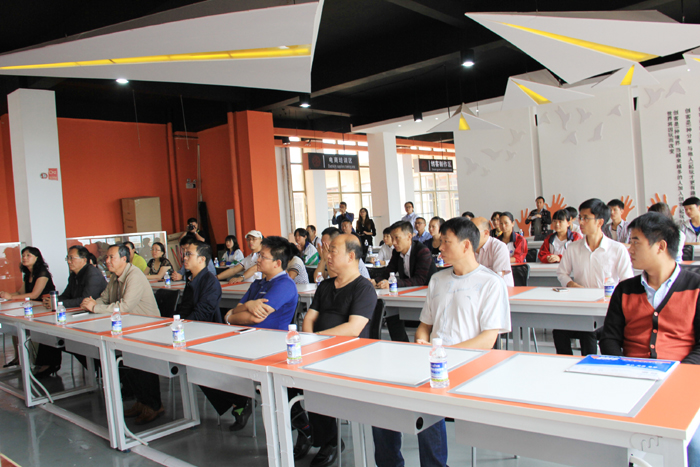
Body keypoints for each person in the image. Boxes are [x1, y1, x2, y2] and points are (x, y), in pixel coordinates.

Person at [374, 217, 511, 467]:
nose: (440, 247)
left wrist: (443, 353)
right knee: (382, 397)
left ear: (466, 245)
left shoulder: (491, 283)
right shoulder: (438, 280)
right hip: (433, 359)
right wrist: (421, 341)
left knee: (428, 398)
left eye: (446, 242)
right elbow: (425, 326)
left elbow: (488, 340)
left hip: (469, 363)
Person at [599, 212, 700, 466]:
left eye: (635, 241)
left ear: (661, 246)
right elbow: (610, 337)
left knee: (694, 446)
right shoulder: (625, 289)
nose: (629, 248)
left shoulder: (696, 287)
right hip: (631, 382)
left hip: (683, 382)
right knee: (603, 440)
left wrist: (678, 374)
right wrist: (623, 370)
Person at [300, 234, 377, 467]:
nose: (328, 255)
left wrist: (316, 341)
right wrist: (309, 341)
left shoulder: (364, 288)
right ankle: (307, 431)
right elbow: (309, 318)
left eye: (333, 250)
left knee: (315, 380)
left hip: (348, 355)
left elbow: (353, 329)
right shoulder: (325, 286)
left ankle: (329, 441)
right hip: (317, 350)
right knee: (287, 381)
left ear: (351, 256)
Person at [223, 237, 300, 431]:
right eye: (259, 255)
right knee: (215, 366)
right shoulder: (257, 284)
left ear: (277, 263)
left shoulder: (284, 285)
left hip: (272, 349)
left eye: (263, 256)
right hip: (250, 342)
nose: (258, 259)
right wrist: (246, 307)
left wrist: (232, 317)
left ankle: (302, 428)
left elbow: (254, 318)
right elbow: (237, 310)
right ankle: (242, 400)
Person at [81, 244, 161, 425]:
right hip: (129, 327)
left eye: (112, 257)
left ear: (124, 259)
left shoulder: (134, 276)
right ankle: (141, 402)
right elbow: (105, 298)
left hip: (147, 328)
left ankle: (154, 406)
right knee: (128, 363)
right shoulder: (115, 277)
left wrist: (95, 308)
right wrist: (92, 303)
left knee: (142, 365)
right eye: (107, 257)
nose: (107, 261)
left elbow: (125, 306)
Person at [555, 199, 634, 356]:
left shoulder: (617, 249)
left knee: (588, 331)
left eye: (586, 218)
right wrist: (571, 284)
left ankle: (588, 366)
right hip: (581, 308)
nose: (581, 222)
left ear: (600, 222)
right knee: (559, 330)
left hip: (608, 312)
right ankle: (566, 364)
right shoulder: (573, 248)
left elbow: (627, 283)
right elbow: (562, 273)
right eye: (580, 218)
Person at [37, 246, 107, 377]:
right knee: (50, 330)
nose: (69, 261)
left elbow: (85, 300)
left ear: (84, 259)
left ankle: (99, 369)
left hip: (94, 318)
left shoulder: (92, 274)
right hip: (79, 315)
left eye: (72, 258)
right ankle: (48, 364)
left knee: (69, 341)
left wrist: (59, 304)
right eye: (67, 258)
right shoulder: (74, 275)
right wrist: (54, 301)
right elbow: (66, 295)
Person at [371, 221, 437, 342]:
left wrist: (393, 283)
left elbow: (420, 280)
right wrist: (374, 281)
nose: (393, 242)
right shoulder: (397, 252)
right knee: (391, 312)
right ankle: (401, 344)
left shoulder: (423, 251)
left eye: (397, 238)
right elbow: (388, 271)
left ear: (409, 236)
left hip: (426, 296)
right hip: (407, 293)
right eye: (392, 238)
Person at [0, 247, 56, 370]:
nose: (24, 258)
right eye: (23, 255)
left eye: (28, 255)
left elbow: (34, 295)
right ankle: (19, 357)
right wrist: (6, 295)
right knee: (15, 328)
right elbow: (21, 293)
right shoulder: (28, 274)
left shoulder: (43, 273)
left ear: (37, 258)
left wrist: (11, 297)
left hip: (45, 309)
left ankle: (41, 362)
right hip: (33, 308)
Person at [472, 217, 514, 286]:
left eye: (473, 232)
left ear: (486, 233)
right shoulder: (467, 248)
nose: (469, 235)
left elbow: (497, 278)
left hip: (500, 290)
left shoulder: (499, 247)